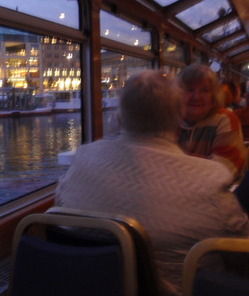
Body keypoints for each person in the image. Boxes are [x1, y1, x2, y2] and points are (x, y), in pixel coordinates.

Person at [55, 70, 249, 296]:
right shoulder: (210, 181)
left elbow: (60, 215)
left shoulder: (81, 161)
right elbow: (242, 248)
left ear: (119, 118)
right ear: (177, 118)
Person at [176, 64, 246, 181]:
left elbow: (221, 174)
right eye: (189, 90)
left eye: (204, 90)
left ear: (213, 96)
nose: (196, 96)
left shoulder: (225, 120)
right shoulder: (171, 120)